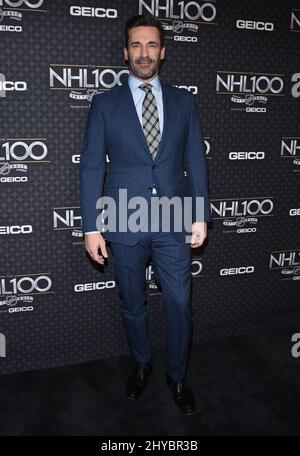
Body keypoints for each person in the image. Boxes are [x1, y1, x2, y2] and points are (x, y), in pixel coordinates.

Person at [80, 14, 211, 415]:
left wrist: (201, 214)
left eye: (151, 45)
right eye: (136, 45)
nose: (144, 53)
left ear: (163, 52)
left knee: (177, 302)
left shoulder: (183, 101)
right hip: (124, 218)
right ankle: (141, 364)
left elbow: (196, 162)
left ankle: (177, 375)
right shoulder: (104, 104)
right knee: (132, 302)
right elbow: (91, 167)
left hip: (174, 218)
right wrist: (90, 226)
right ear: (125, 52)